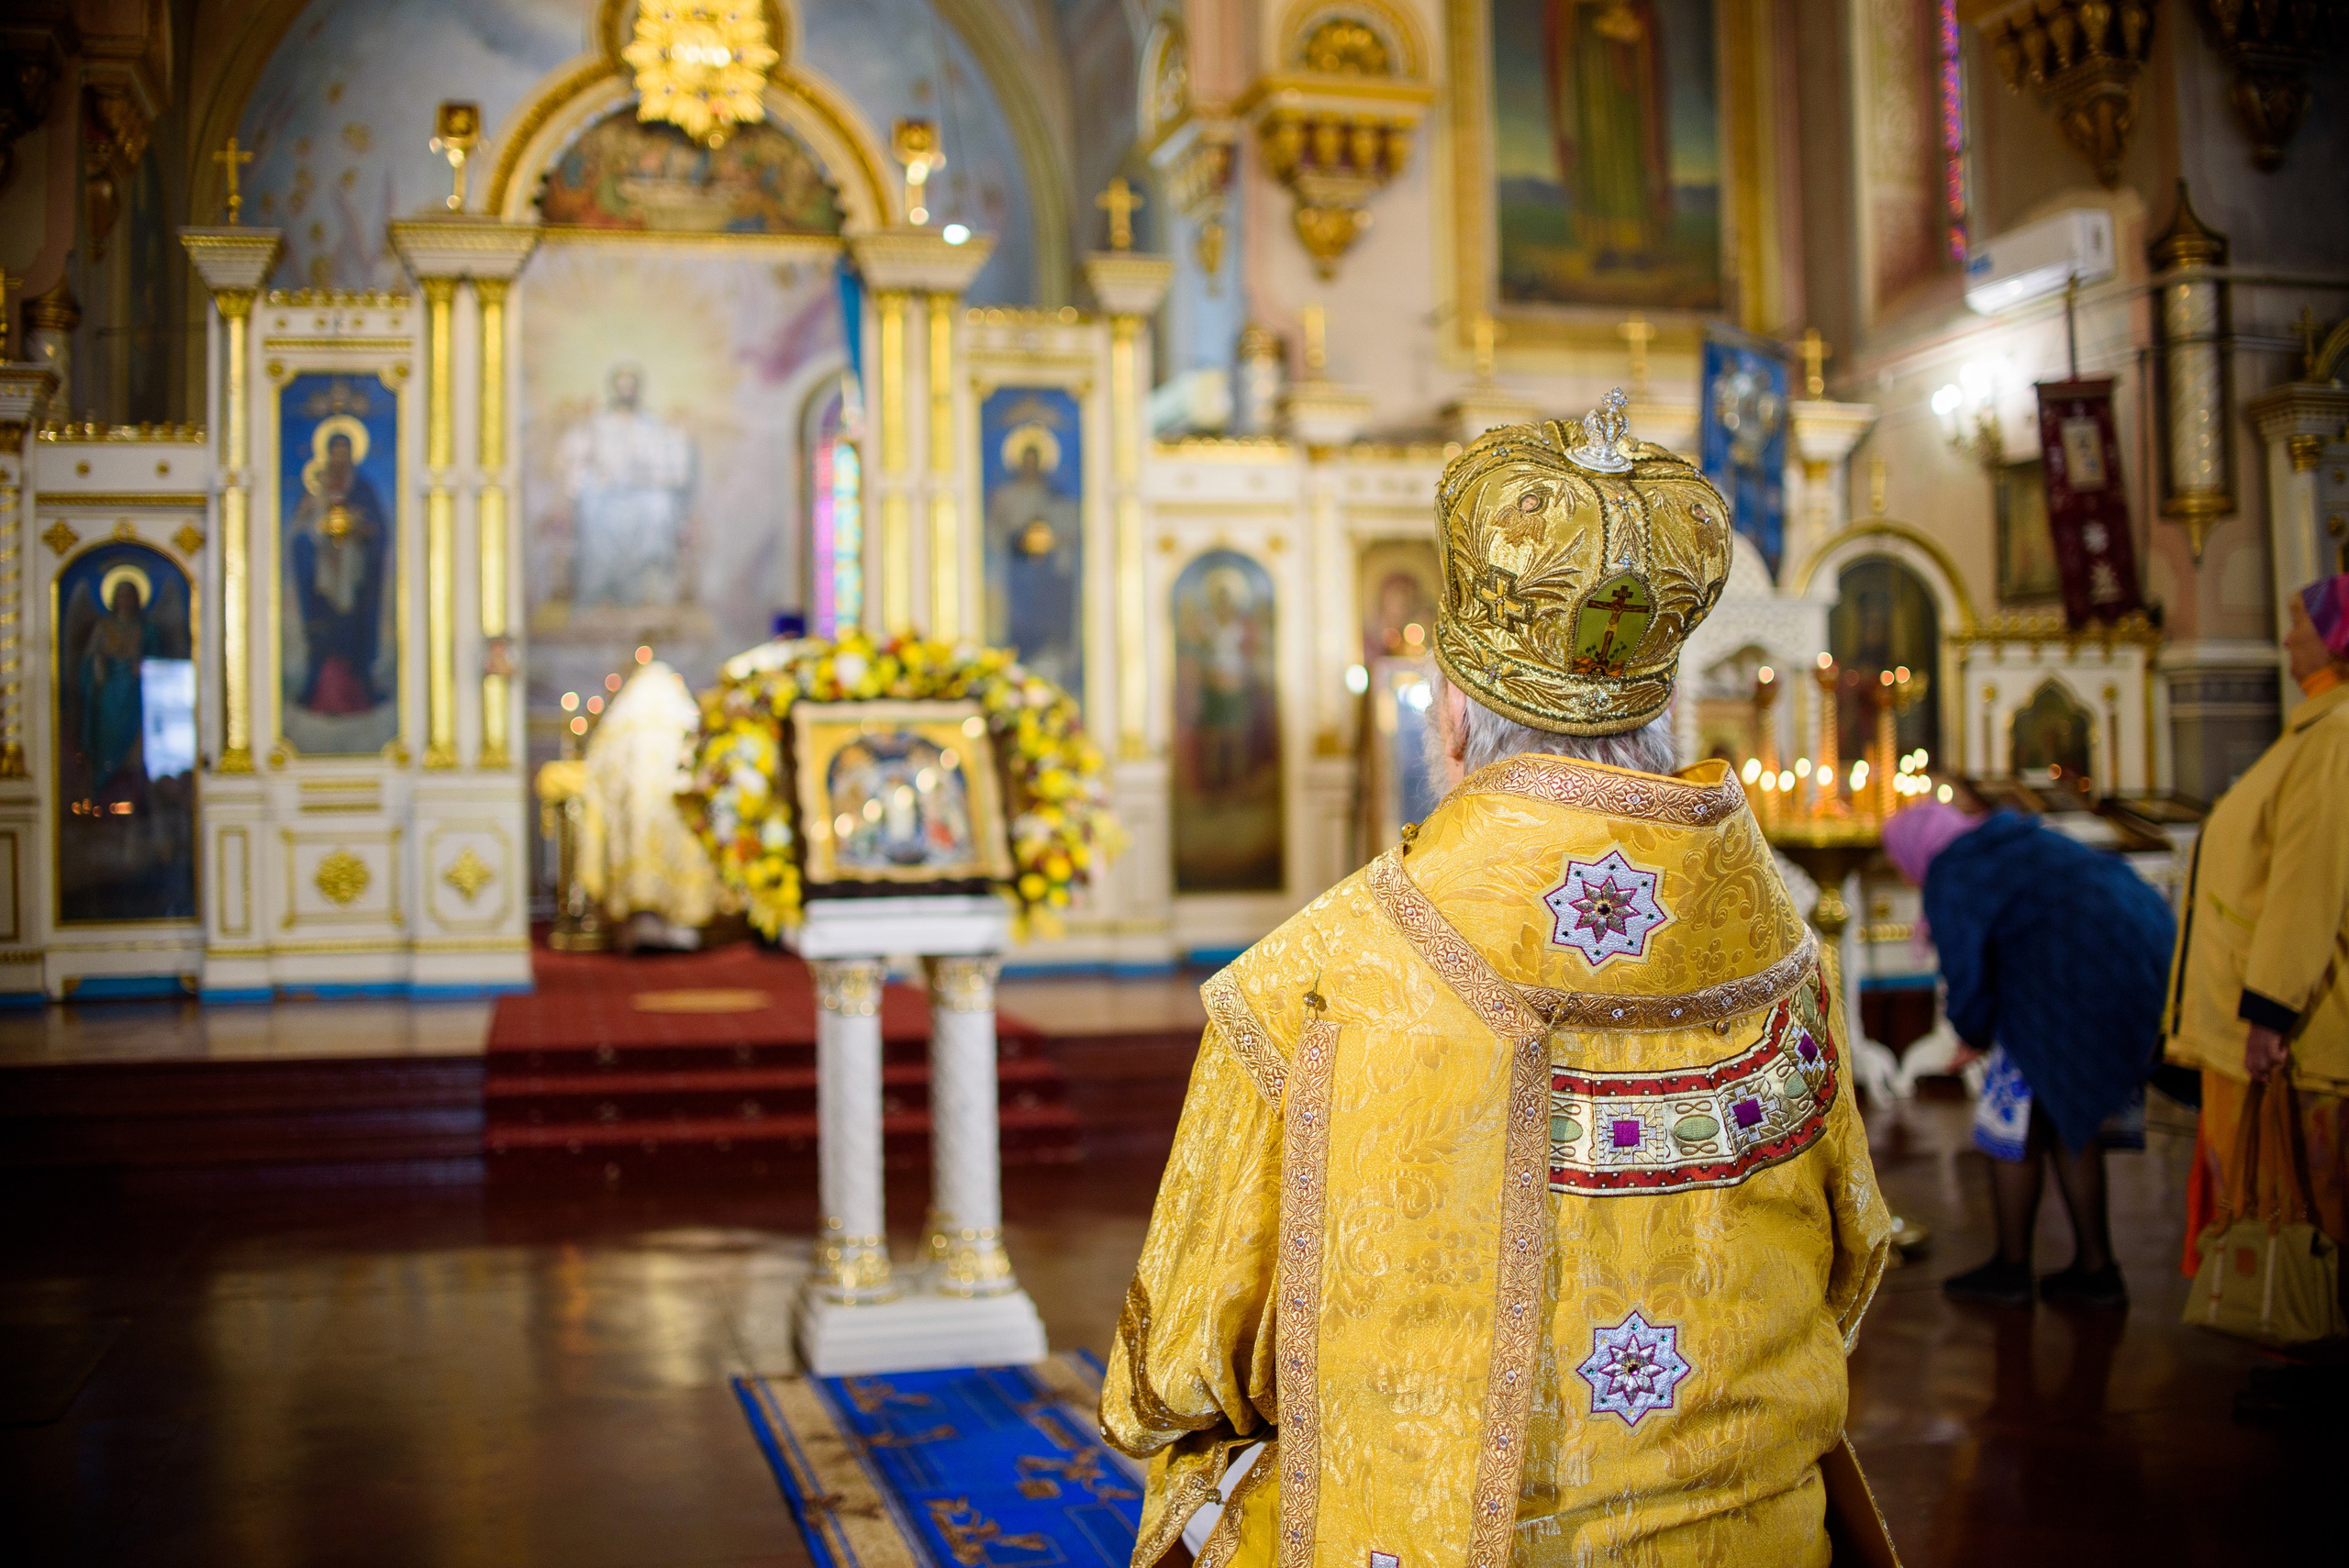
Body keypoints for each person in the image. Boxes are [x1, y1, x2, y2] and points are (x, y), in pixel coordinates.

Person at [1101, 393, 1896, 1567]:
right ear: (1665, 715)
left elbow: (1170, 1371)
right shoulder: (1781, 957)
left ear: (1452, 720)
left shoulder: (1313, 983)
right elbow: (1855, 1251)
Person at [1882, 798, 2176, 1311]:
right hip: (2134, 959)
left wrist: (1972, 1031)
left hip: (2068, 983)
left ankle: (2012, 1268)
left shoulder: (1954, 869)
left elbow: (1966, 967)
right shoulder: (2002, 840)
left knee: (2009, 1122)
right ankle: (2095, 1268)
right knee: (2067, 1116)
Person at [2165, 573, 2349, 1334]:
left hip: (2299, 1030)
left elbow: (2309, 883)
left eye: (2300, 625)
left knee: (2312, 1197)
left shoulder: (2336, 736)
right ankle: (2297, 1341)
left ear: (2335, 636)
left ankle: (2318, 1336)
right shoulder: (2315, 727)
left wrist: (2270, 1008)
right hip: (2268, 1019)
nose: (2286, 640)